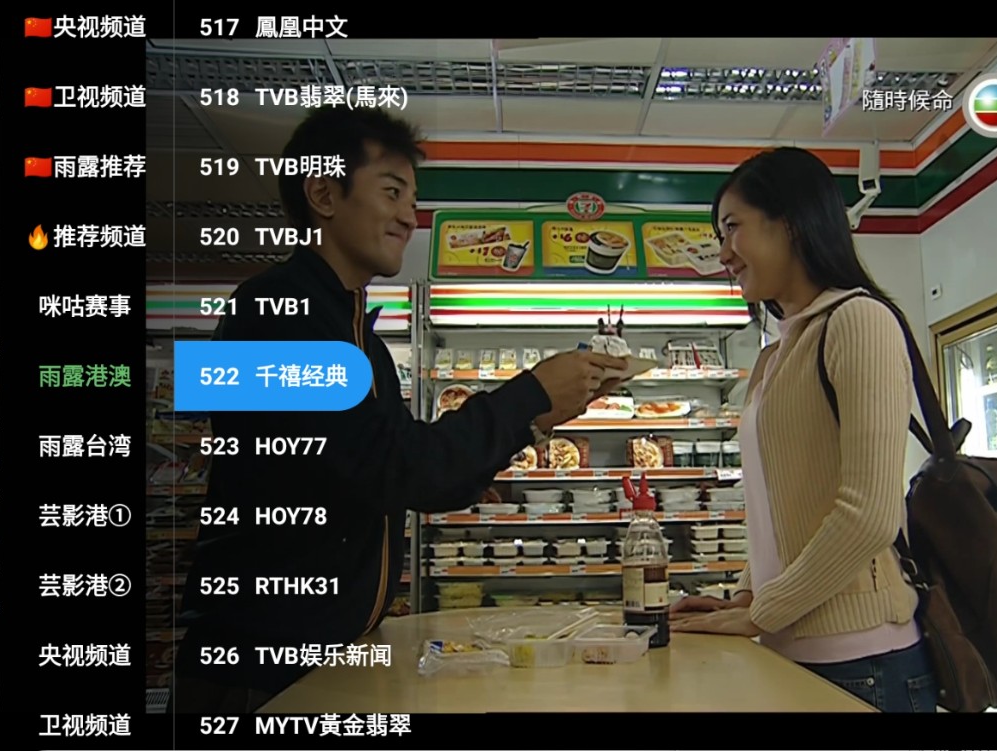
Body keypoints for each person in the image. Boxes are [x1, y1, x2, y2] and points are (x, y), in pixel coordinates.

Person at [170, 106, 628, 713]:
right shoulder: (272, 310)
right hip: (256, 669)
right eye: (391, 192)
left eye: (413, 199)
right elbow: (397, 468)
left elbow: (391, 469)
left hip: (320, 654)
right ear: (323, 194)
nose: (410, 216)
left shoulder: (360, 337)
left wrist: (530, 422)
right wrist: (532, 396)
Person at [669, 147, 938, 713]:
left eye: (732, 228)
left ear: (790, 222)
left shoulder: (859, 320)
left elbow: (869, 514)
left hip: (865, 662)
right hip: (792, 651)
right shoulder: (776, 354)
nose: (723, 253)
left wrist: (762, 612)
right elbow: (782, 508)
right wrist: (746, 594)